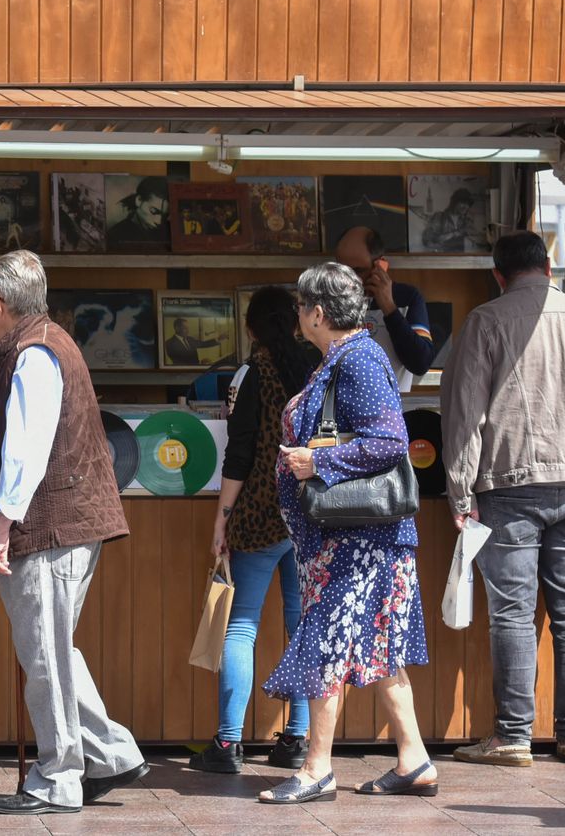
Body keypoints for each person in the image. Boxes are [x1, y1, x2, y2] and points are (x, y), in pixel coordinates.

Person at [442, 231, 565, 768]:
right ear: (550, 268)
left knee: (512, 612)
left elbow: (464, 415)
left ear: (499, 275)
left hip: (508, 482)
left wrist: (459, 491)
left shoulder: (486, 320)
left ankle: (512, 736)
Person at [0, 250, 150, 815]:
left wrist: (2, 525)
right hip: (68, 523)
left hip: (48, 526)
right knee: (54, 651)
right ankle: (111, 753)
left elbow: (26, 451)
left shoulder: (33, 355)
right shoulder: (53, 341)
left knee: (45, 657)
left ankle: (58, 777)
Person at [261, 262, 434, 804]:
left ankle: (316, 769)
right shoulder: (345, 357)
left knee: (325, 646)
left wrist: (317, 460)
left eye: (300, 307)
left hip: (356, 542)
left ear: (316, 312)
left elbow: (387, 442)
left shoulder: (357, 358)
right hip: (361, 540)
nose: (297, 316)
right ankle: (414, 760)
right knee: (379, 648)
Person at [192, 287, 319, 775]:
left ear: (249, 329)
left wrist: (221, 518)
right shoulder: (314, 369)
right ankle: (298, 739)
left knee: (242, 625)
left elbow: (239, 455)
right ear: (295, 322)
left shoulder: (252, 375)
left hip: (262, 515)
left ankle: (228, 745)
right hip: (308, 516)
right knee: (300, 624)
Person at [333, 226, 436, 392]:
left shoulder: (406, 298)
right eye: (342, 270)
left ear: (380, 265)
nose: (348, 279)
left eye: (358, 270)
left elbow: (420, 363)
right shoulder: (329, 300)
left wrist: (389, 308)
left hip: (393, 411)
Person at [107, 176, 170, 251]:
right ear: (139, 200)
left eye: (165, 215)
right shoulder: (115, 236)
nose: (159, 221)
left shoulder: (167, 232)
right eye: (153, 211)